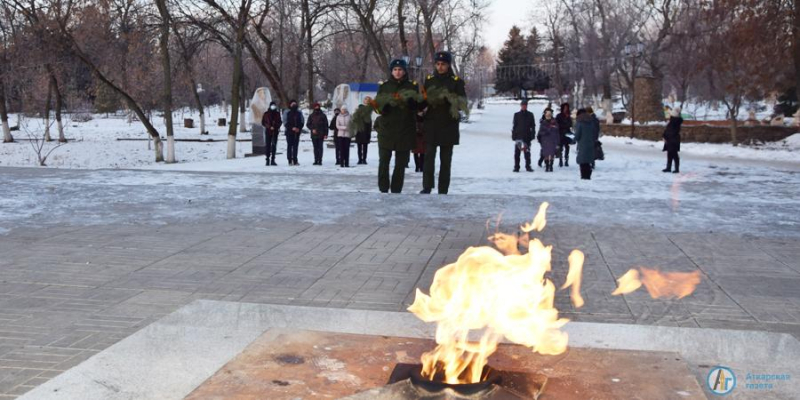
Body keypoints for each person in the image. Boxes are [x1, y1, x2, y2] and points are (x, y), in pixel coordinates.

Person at [420, 51, 466, 194]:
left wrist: (450, 99)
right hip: (432, 124)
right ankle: (427, 187)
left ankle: (443, 189)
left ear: (448, 65)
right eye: (438, 64)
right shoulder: (429, 80)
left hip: (448, 124)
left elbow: (462, 103)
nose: (440, 67)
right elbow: (423, 99)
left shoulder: (456, 81)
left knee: (445, 161)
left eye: (443, 64)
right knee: (428, 159)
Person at [375, 59, 418, 193]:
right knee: (383, 162)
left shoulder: (412, 86)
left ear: (404, 71)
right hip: (387, 130)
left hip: (404, 130)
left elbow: (417, 105)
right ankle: (383, 188)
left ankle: (396, 190)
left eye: (400, 70)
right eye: (395, 70)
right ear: (391, 71)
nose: (397, 72)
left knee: (400, 164)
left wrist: (412, 103)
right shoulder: (384, 86)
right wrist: (384, 106)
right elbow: (377, 107)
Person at [574, 108, 599, 179]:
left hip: (582, 144)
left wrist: (573, 140)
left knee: (583, 161)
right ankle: (588, 174)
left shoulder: (580, 123)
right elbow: (595, 132)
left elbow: (578, 135)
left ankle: (584, 176)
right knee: (588, 161)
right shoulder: (591, 121)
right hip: (590, 143)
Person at [512, 99, 535, 172]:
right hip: (519, 136)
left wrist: (532, 135)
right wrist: (513, 135)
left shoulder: (530, 115)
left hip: (527, 136)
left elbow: (533, 126)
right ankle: (516, 167)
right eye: (523, 105)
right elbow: (514, 126)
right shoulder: (517, 115)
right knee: (517, 153)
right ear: (521, 106)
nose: (524, 106)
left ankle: (528, 166)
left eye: (525, 105)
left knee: (527, 153)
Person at [537, 108, 560, 172]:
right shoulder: (543, 123)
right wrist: (548, 130)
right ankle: (547, 166)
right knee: (546, 154)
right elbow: (541, 132)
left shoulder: (554, 122)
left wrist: (558, 141)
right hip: (546, 140)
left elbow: (557, 132)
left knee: (551, 154)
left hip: (552, 140)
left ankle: (550, 166)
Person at [353, 97, 374, 165]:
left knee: (365, 148)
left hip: (365, 134)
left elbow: (369, 127)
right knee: (359, 148)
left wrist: (368, 135)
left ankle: (364, 159)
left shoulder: (367, 117)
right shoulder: (357, 117)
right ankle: (360, 159)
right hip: (359, 134)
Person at [662, 106, 683, 173]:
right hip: (669, 139)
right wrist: (664, 136)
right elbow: (667, 130)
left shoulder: (676, 121)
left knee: (674, 154)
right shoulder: (672, 121)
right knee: (669, 153)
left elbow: (672, 131)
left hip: (673, 139)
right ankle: (668, 167)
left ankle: (676, 169)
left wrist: (666, 136)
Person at [284, 100, 304, 165]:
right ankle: (289, 160)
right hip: (289, 132)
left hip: (297, 133)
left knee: (295, 147)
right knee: (289, 146)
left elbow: (302, 121)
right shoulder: (287, 112)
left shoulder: (299, 113)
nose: (294, 105)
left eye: (295, 104)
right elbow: (285, 122)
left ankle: (295, 159)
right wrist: (292, 128)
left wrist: (299, 128)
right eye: (292, 104)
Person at [261, 101, 281, 166]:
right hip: (268, 132)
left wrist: (276, 126)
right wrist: (269, 127)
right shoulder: (266, 114)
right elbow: (263, 122)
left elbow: (280, 122)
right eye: (272, 105)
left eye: (274, 105)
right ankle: (267, 159)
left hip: (275, 132)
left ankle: (273, 159)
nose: (273, 107)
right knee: (268, 146)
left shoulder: (277, 114)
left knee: (274, 146)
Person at [556, 102, 573, 167]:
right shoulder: (559, 116)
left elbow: (570, 124)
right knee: (560, 148)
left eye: (567, 108)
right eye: (565, 108)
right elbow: (557, 124)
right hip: (560, 133)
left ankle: (566, 160)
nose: (566, 109)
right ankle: (560, 160)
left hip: (567, 133)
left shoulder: (568, 116)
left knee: (567, 147)